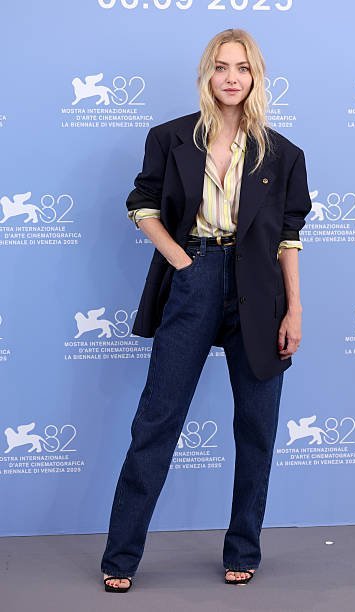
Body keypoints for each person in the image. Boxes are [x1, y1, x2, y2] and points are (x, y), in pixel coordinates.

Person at [101, 28, 312, 593]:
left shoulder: (283, 154)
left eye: (242, 68)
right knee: (156, 421)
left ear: (256, 77)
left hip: (260, 291)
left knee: (257, 428)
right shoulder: (169, 138)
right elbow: (142, 203)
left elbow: (288, 237)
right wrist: (181, 261)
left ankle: (243, 549)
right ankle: (120, 557)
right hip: (194, 277)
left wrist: (294, 309)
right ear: (207, 74)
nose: (231, 78)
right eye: (221, 67)